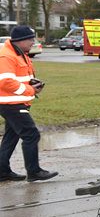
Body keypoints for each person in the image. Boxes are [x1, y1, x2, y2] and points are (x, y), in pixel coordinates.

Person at [0, 26, 58, 182]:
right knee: (31, 134)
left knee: (11, 137)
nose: (33, 42)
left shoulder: (19, 53)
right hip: (11, 104)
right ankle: (34, 172)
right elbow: (5, 82)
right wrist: (30, 90)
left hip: (15, 102)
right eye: (31, 39)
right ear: (20, 40)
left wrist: (33, 84)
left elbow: (18, 77)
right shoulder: (7, 56)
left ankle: (2, 171)